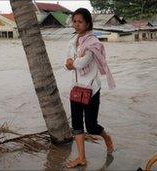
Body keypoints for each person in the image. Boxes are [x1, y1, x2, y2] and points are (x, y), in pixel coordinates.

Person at [64, 8, 116, 168]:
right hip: (75, 88)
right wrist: (71, 64)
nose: (77, 24)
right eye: (75, 21)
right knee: (77, 125)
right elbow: (66, 65)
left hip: (91, 89)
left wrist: (73, 63)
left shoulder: (93, 43)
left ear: (87, 23)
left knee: (92, 127)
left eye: (80, 21)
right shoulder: (71, 43)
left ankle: (106, 137)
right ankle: (81, 158)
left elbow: (81, 63)